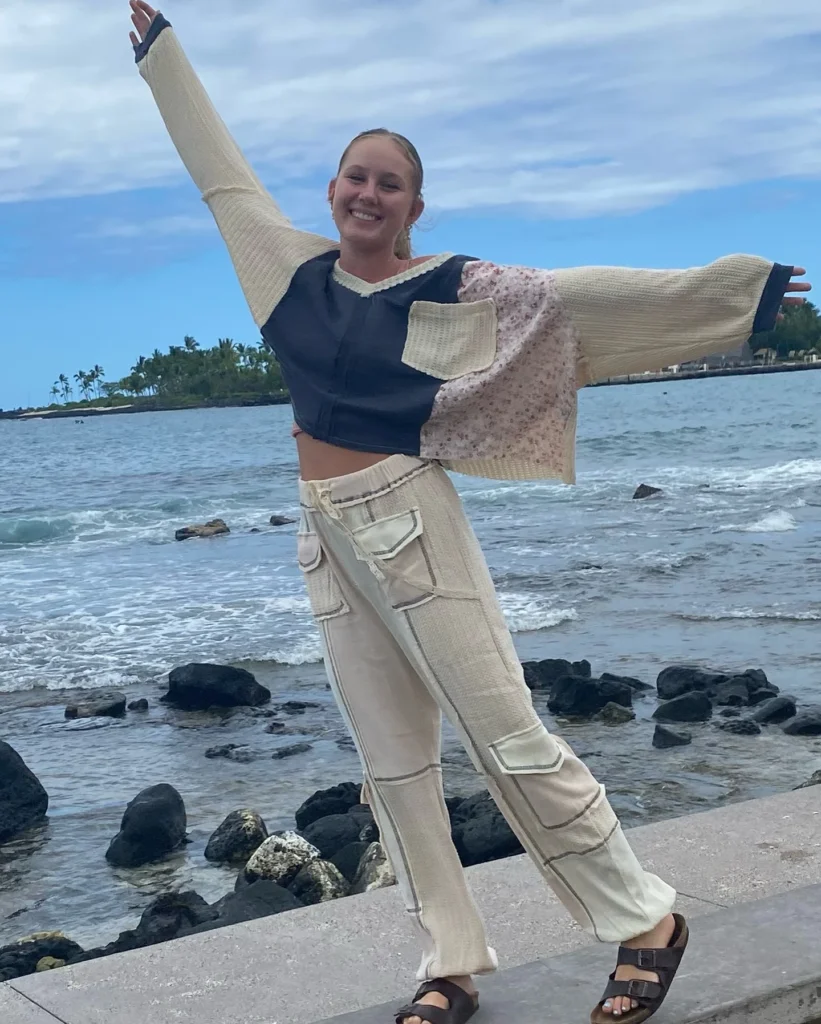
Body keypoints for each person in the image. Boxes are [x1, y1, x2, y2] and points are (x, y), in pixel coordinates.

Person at [127, 4, 810, 1022]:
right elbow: (220, 174)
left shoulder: (451, 289)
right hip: (324, 538)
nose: (367, 193)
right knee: (393, 768)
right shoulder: (285, 272)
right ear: (331, 190)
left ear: (413, 205)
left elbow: (575, 304)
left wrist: (729, 299)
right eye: (354, 177)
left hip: (410, 522)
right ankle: (447, 962)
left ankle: (644, 921)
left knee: (508, 737)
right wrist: (161, 55)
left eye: (387, 183)